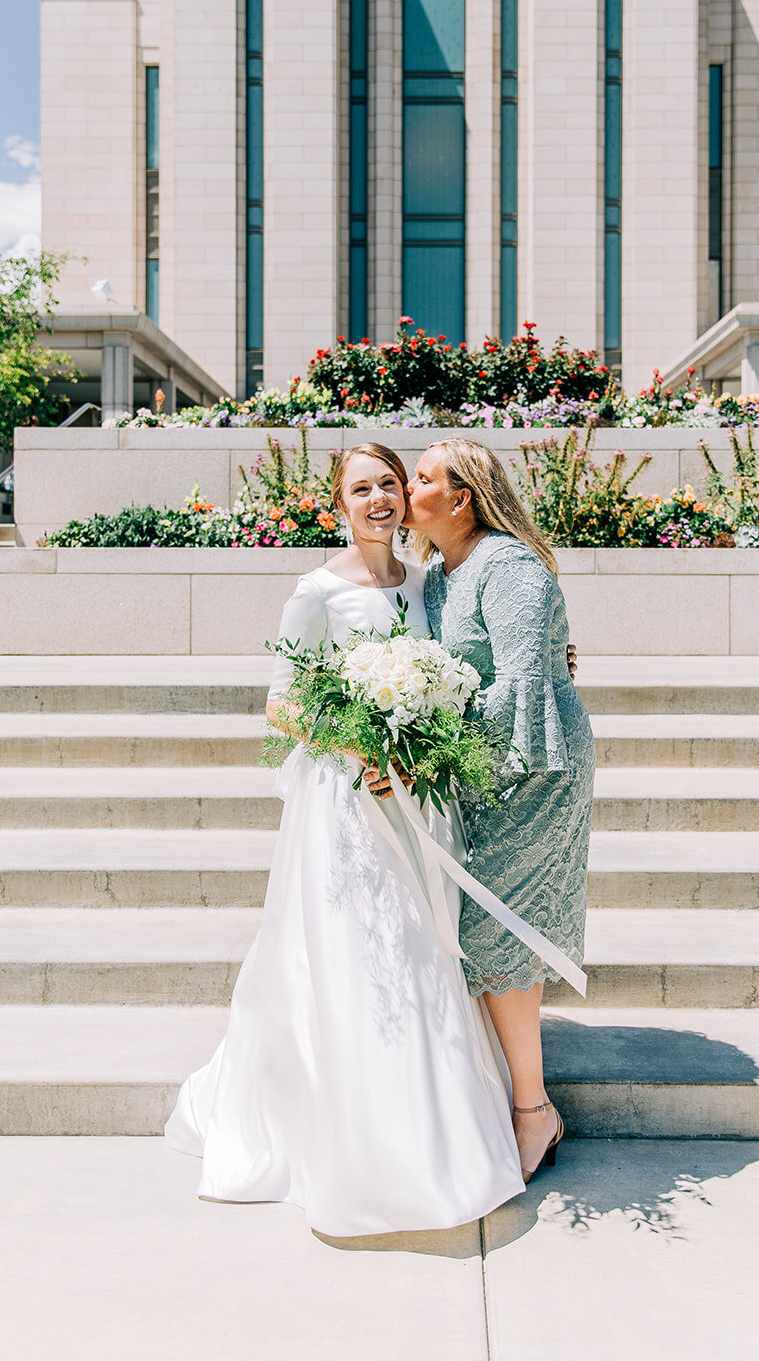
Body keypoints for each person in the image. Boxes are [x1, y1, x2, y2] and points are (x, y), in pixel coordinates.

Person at [165, 444, 525, 1236]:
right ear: (339, 502)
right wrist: (360, 744)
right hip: (347, 798)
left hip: (416, 796)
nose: (379, 500)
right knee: (356, 952)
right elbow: (279, 706)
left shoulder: (428, 581)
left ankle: (436, 1130)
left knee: (420, 946)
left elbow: (470, 663)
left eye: (389, 485)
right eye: (361, 489)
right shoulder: (316, 591)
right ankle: (351, 1135)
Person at [406, 439, 595, 1182]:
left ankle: (532, 1112)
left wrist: (418, 737)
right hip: (478, 769)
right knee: (477, 927)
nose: (405, 487)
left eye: (421, 479)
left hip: (532, 768)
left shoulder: (508, 565)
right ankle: (507, 1097)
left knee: (499, 928)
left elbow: (521, 687)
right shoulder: (438, 573)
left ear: (459, 499)